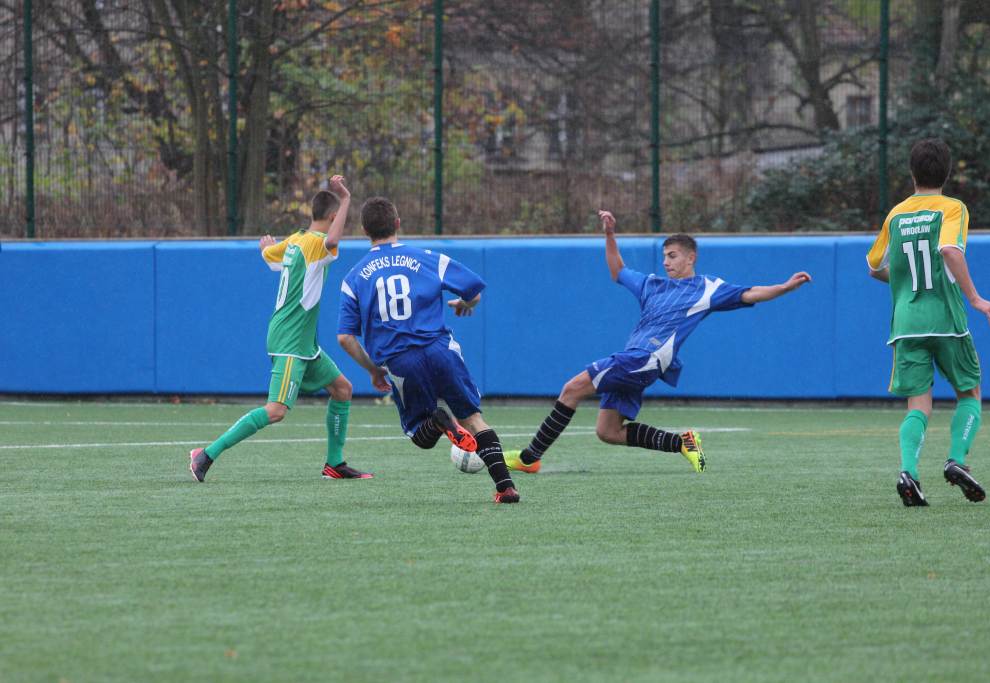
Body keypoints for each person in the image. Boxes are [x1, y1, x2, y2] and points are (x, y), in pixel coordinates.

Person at [505, 210, 811, 474]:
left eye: (673, 255)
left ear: (691, 258)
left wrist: (785, 287)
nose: (666, 261)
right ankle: (683, 443)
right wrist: (610, 234)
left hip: (645, 358)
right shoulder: (652, 285)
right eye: (664, 256)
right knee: (608, 431)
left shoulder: (706, 289)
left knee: (572, 389)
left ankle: (530, 459)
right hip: (636, 359)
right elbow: (618, 270)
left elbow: (750, 293)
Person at [336, 197, 520, 503]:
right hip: (440, 349)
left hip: (399, 361)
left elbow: (345, 338)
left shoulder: (353, 278)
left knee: (419, 434)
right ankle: (506, 487)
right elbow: (474, 290)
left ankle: (437, 422)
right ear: (397, 223)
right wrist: (464, 304)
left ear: (364, 230)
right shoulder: (427, 258)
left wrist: (373, 369)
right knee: (474, 419)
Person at [189, 175, 371, 482]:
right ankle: (205, 455)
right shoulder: (313, 243)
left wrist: (267, 247)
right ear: (330, 216)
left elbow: (270, 256)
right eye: (337, 216)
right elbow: (332, 242)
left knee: (342, 389)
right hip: (290, 341)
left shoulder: (295, 241)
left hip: (303, 343)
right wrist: (347, 200)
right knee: (275, 411)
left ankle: (334, 464)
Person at [867, 138, 990, 507]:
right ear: (946, 172)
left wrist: (905, 279)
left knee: (918, 404)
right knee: (970, 393)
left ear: (911, 173)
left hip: (907, 322)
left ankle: (908, 470)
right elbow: (948, 250)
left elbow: (874, 266)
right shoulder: (952, 208)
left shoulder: (896, 214)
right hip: (945, 318)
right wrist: (974, 297)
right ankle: (957, 460)